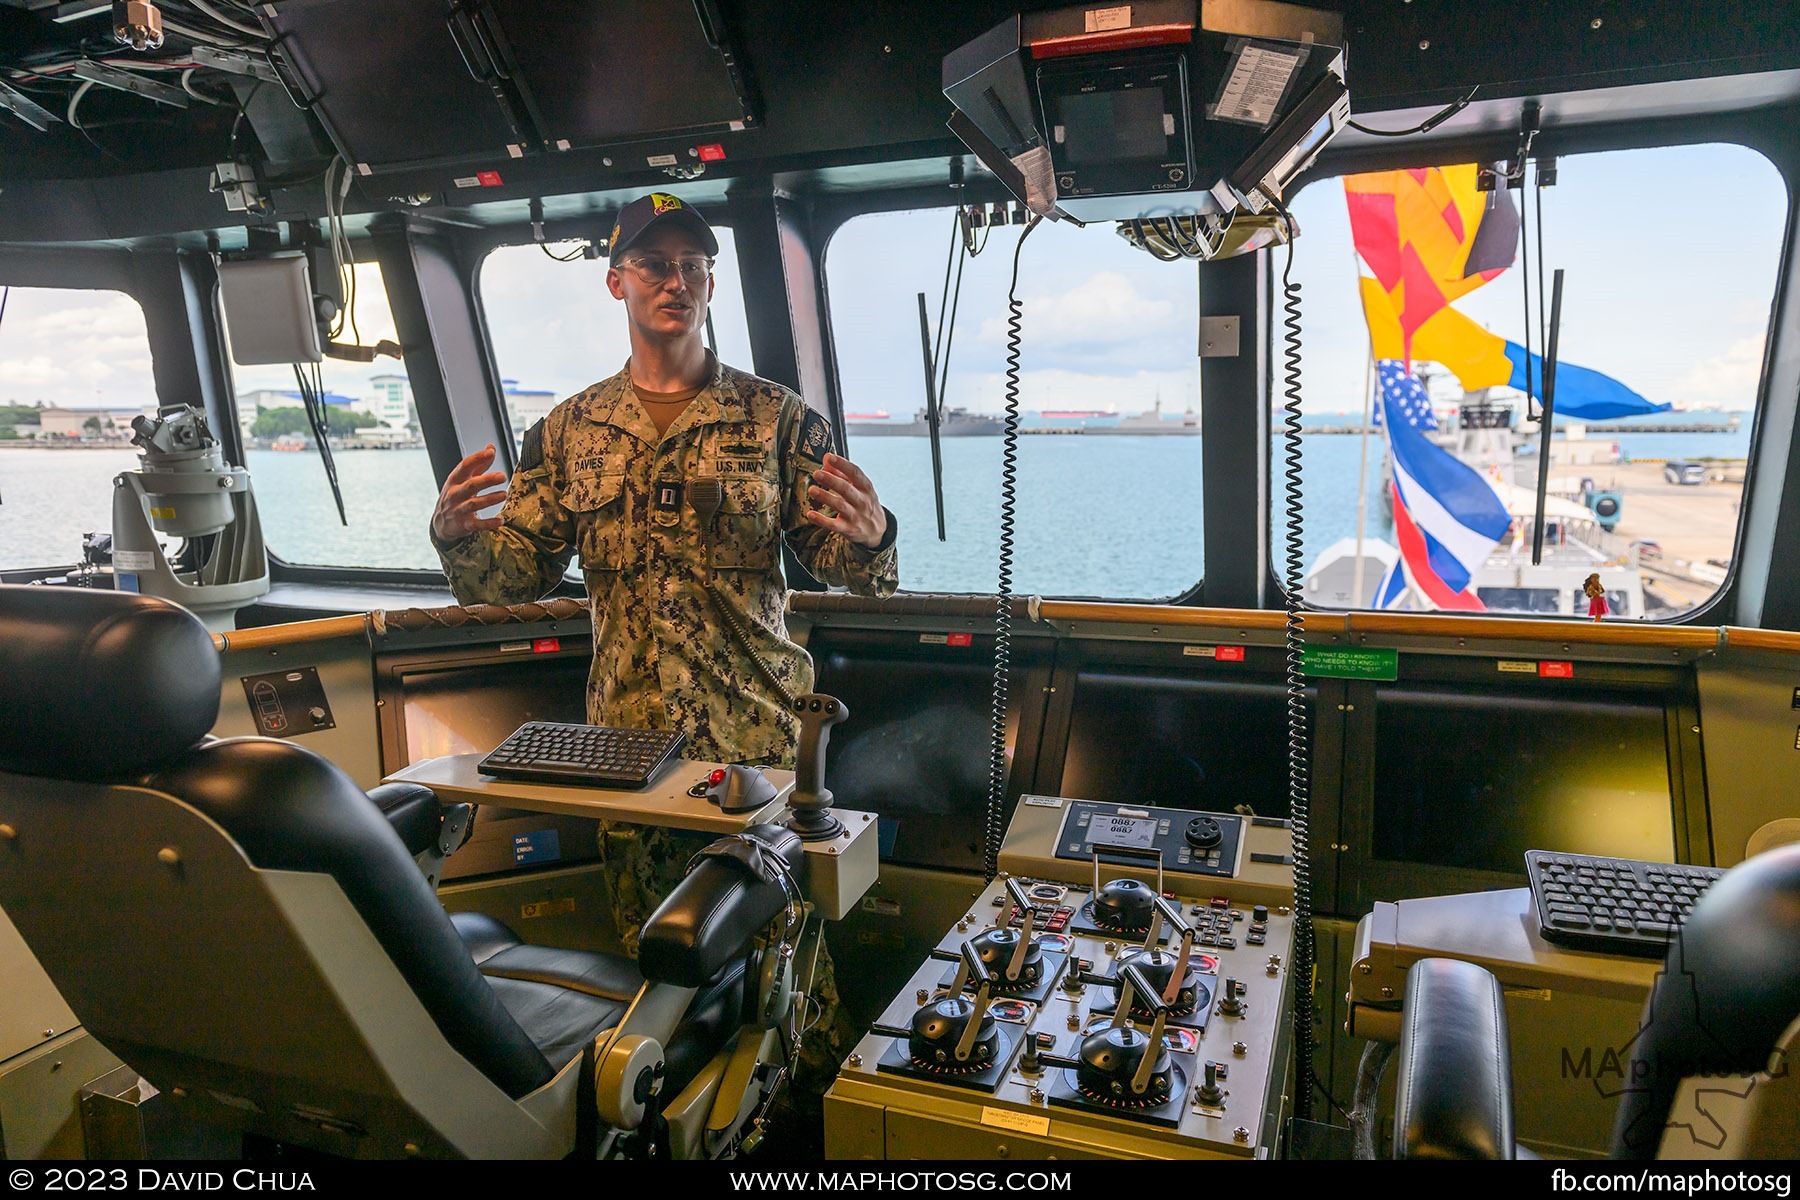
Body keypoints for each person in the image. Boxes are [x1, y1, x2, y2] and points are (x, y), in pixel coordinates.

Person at [428, 190, 898, 1107]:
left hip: (757, 747)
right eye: (654, 265)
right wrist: (457, 539)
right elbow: (513, 575)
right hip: (627, 752)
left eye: (691, 266)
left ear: (712, 282)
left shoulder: (777, 420)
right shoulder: (568, 432)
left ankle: (805, 1125)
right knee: (662, 967)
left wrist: (875, 537)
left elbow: (848, 567)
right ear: (617, 283)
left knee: (787, 977)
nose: (674, 281)